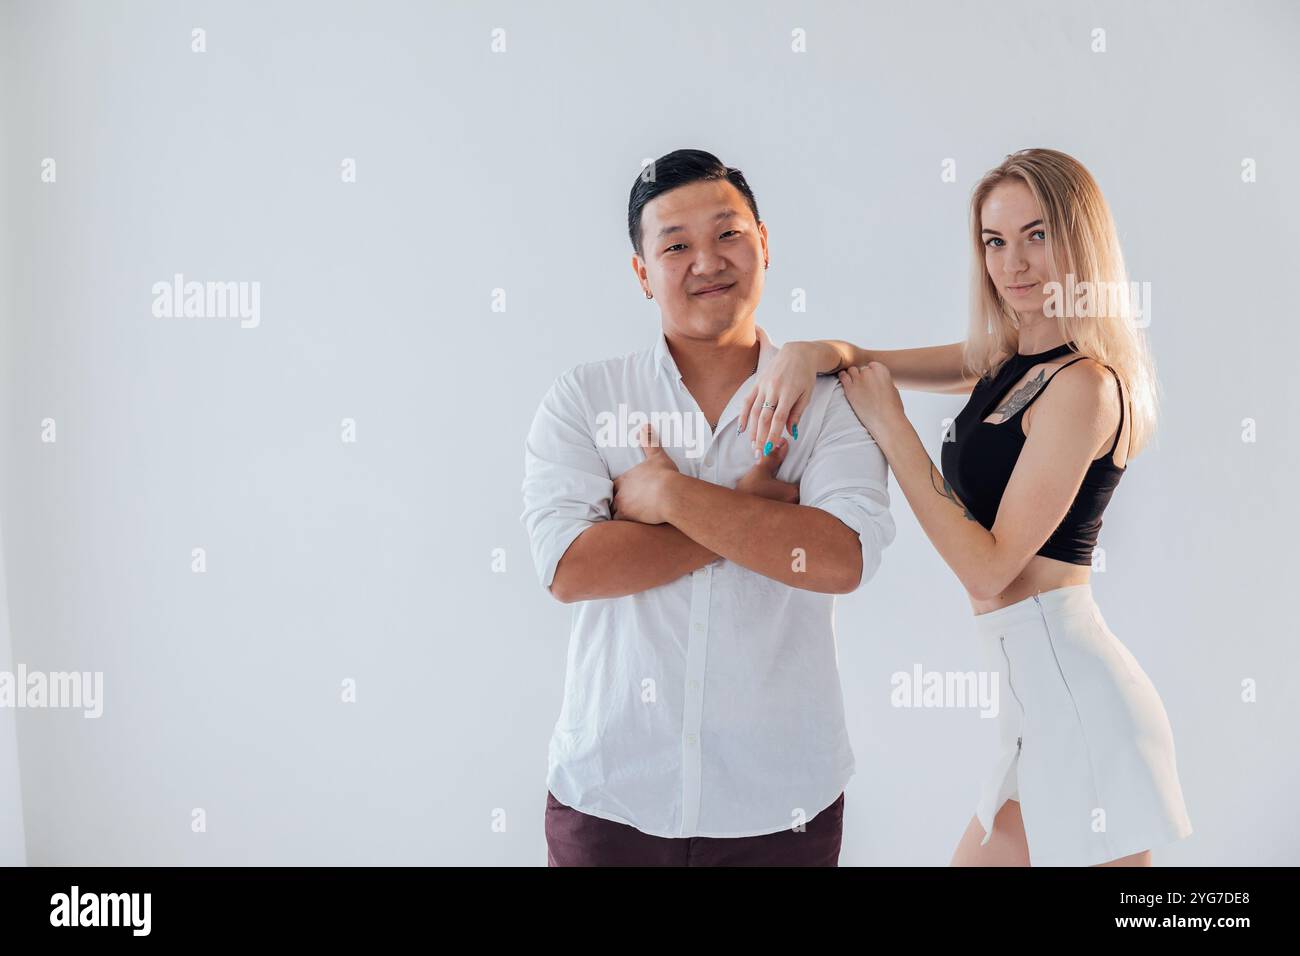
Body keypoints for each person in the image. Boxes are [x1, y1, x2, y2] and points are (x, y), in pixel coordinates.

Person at [739, 148, 1192, 867]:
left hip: (1078, 704)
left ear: (1082, 241)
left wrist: (892, 428)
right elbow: (864, 362)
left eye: (1037, 235)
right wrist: (802, 352)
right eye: (995, 241)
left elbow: (988, 570)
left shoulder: (1084, 387)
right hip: (1034, 703)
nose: (1014, 263)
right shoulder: (1005, 358)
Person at [520, 149, 896, 866]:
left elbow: (838, 557)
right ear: (642, 273)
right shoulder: (587, 398)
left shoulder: (830, 404)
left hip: (781, 799)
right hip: (610, 793)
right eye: (676, 246)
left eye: (728, 235)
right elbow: (571, 570)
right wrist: (746, 514)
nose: (707, 262)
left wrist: (668, 498)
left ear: (764, 244)